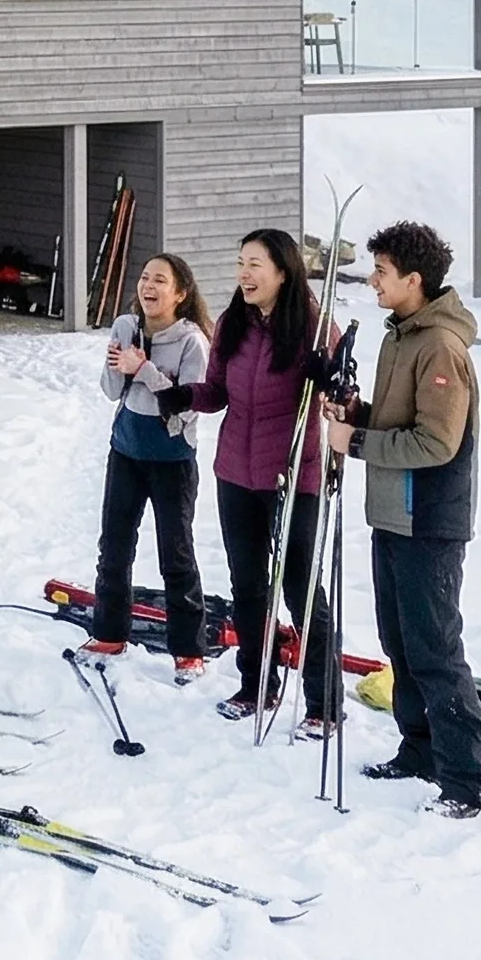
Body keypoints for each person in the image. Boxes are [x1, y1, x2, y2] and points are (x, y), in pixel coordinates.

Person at [325, 222, 481, 819]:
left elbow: (435, 443)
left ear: (413, 280)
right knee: (399, 641)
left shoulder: (440, 346)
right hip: (393, 515)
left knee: (435, 650)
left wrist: (355, 441)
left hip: (429, 520)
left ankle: (468, 782)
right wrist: (359, 414)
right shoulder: (400, 336)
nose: (372, 281)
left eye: (382, 272)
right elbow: (399, 420)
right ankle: (420, 750)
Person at [164, 229, 335, 725]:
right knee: (249, 587)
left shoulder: (314, 327)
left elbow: (339, 392)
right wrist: (184, 395)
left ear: (283, 271)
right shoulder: (233, 322)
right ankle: (256, 684)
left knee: (300, 589)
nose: (244, 274)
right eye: (241, 263)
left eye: (255, 264)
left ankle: (323, 702)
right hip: (236, 474)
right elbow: (217, 390)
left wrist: (328, 374)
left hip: (292, 476)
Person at [83, 253, 212, 684]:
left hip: (172, 460)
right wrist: (118, 366)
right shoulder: (125, 326)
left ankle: (189, 650)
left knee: (176, 553)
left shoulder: (192, 342)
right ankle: (109, 634)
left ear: (180, 293)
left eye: (160, 280)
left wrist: (145, 370)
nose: (148, 287)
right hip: (126, 451)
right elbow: (110, 391)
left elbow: (188, 409)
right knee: (114, 547)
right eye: (144, 278)